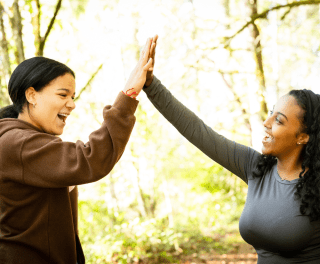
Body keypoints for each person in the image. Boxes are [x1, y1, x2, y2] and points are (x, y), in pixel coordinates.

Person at [143, 36, 320, 263]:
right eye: (271, 113)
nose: (266, 123)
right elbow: (197, 131)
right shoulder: (256, 168)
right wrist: (150, 84)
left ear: (303, 137)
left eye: (280, 120)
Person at [0, 38, 154, 264]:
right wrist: (129, 94)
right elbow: (91, 158)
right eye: (63, 95)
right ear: (31, 95)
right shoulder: (18, 142)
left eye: (72, 96)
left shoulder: (24, 140)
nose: (71, 104)